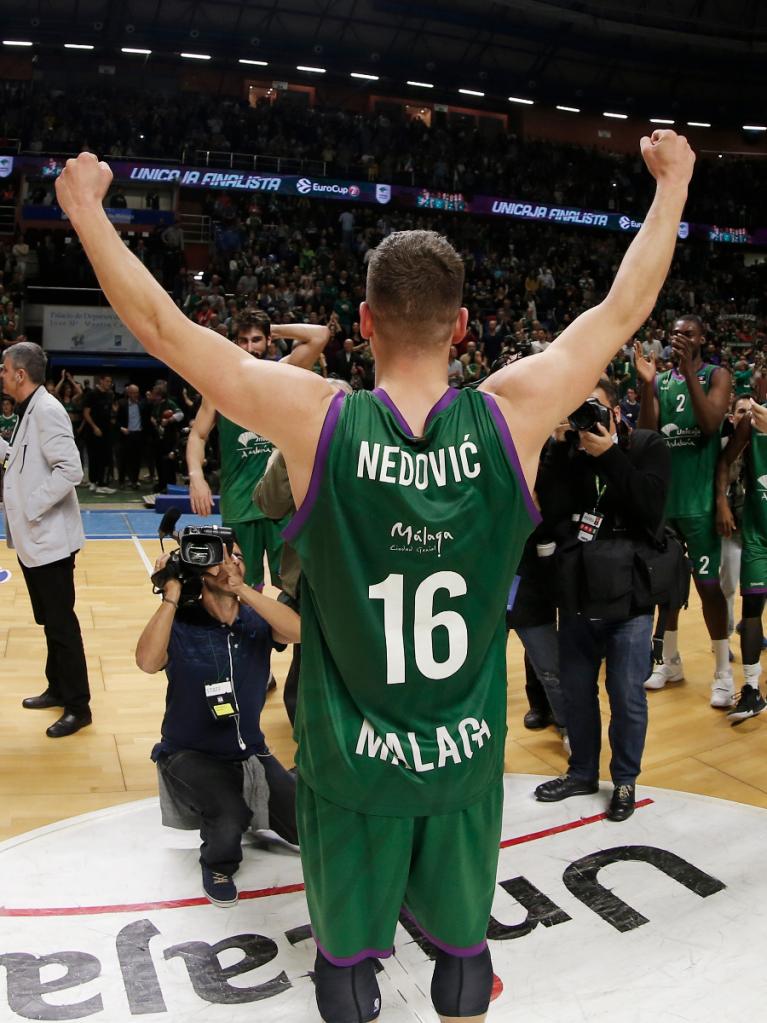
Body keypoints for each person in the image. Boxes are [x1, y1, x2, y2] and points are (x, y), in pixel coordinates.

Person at [56, 129, 695, 1023]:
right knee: (465, 961)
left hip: (349, 766)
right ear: (462, 326)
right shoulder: (513, 416)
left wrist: (86, 209)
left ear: (362, 322)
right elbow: (622, 311)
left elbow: (167, 330)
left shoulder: (317, 421)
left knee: (348, 970)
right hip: (461, 762)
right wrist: (672, 186)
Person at [533, 379, 671, 821]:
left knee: (627, 693)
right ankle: (582, 773)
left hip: (629, 594)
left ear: (617, 410)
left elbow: (649, 509)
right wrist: (555, 450)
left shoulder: (647, 445)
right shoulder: (569, 453)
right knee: (576, 690)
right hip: (577, 589)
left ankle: (625, 780)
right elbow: (552, 514)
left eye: (594, 407)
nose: (586, 418)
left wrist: (609, 453)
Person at [136, 542, 301, 906]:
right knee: (229, 816)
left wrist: (241, 589)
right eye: (218, 558)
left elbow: (299, 632)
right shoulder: (179, 624)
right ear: (200, 572)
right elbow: (148, 662)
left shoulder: (257, 619)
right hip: (190, 754)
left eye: (237, 556)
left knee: (306, 824)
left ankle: (282, 787)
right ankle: (217, 864)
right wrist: (171, 595)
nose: (229, 562)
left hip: (250, 752)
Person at [187, 314, 329, 589]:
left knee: (291, 586)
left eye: (256, 339)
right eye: (243, 340)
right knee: (241, 586)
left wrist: (271, 327)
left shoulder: (284, 373)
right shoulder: (219, 385)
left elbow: (320, 335)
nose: (250, 347)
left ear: (269, 342)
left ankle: (288, 634)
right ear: (234, 343)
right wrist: (197, 477)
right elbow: (198, 434)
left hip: (280, 502)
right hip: (239, 503)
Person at [636, 315, 734, 706]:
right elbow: (645, 435)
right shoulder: (660, 380)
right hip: (667, 505)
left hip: (701, 505)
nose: (680, 338)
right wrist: (646, 387)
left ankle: (724, 671)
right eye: (675, 333)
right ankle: (670, 660)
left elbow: (710, 424)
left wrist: (690, 369)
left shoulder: (717, 375)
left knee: (709, 589)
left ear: (702, 338)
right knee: (667, 590)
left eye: (688, 333)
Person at [0, 341, 91, 738]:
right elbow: (22, 462)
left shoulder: (48, 410)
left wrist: (30, 506)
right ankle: (58, 687)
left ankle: (78, 706)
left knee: (61, 624)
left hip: (50, 538)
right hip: (35, 540)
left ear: (21, 374)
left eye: (4, 369)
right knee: (49, 621)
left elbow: (71, 470)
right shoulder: (29, 409)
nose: (1, 375)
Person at [716, 399, 767, 722]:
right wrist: (721, 500)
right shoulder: (754, 420)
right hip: (758, 535)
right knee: (751, 611)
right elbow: (724, 462)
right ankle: (751, 688)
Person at [82, 372, 117, 494]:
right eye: (107, 381)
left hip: (106, 431)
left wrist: (114, 413)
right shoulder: (92, 394)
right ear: (101, 381)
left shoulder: (109, 395)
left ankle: (103, 483)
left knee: (106, 457)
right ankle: (93, 481)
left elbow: (110, 410)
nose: (109, 384)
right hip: (93, 432)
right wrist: (94, 427)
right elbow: (86, 413)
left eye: (110, 382)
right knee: (94, 458)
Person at [116, 384, 148, 489]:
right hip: (126, 434)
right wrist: (121, 428)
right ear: (128, 393)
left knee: (136, 459)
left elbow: (147, 418)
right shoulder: (122, 404)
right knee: (124, 459)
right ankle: (121, 481)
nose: (135, 395)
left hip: (138, 434)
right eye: (133, 393)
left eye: (137, 393)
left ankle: (134, 480)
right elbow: (115, 420)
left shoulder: (142, 403)